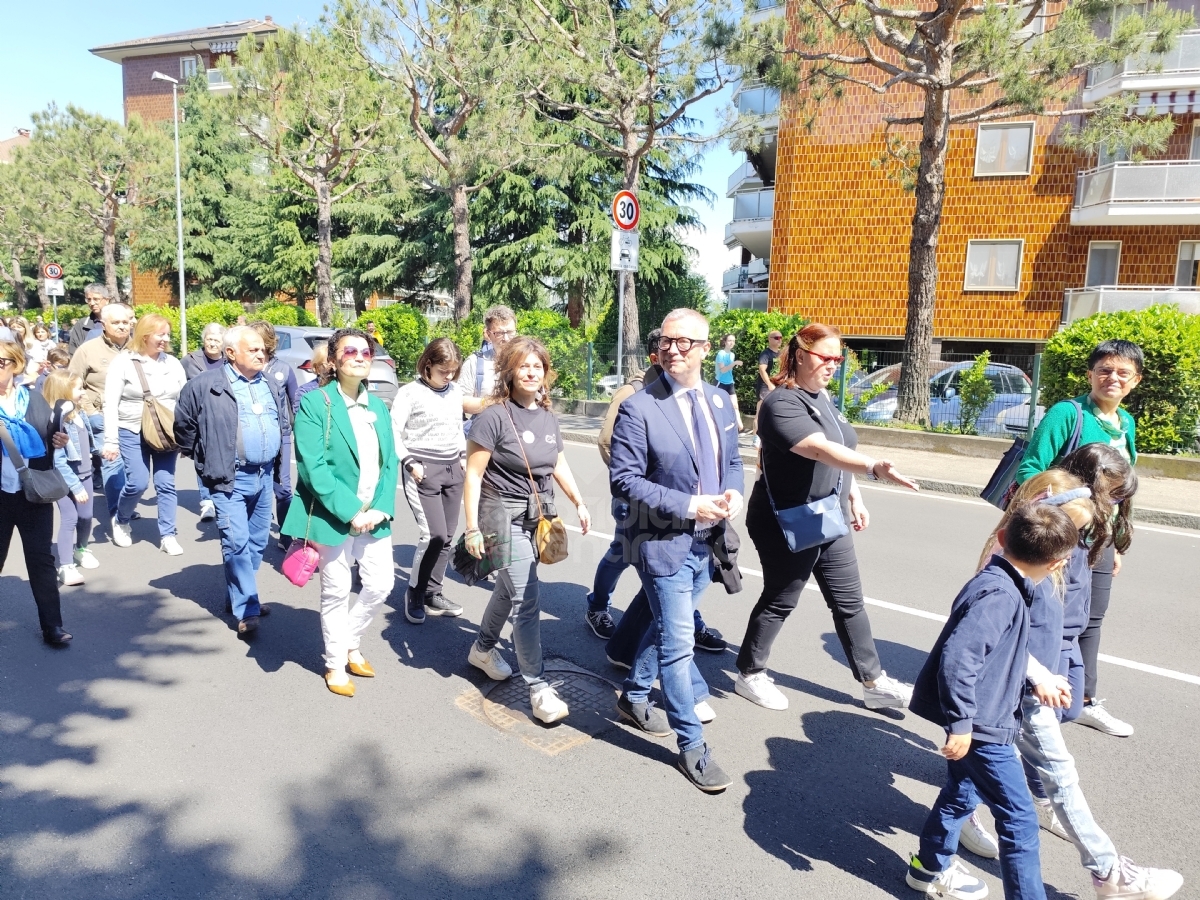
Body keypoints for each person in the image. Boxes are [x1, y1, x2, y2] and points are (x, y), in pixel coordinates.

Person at [999, 469, 1184, 900]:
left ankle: (935, 856)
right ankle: (1110, 873)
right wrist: (1040, 674)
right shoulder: (1015, 569)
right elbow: (994, 634)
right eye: (1072, 537)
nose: (1073, 550)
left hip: (1032, 683)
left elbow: (1062, 623)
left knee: (983, 777)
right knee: (1055, 778)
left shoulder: (1053, 558)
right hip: (1022, 689)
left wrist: (1063, 665)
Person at [737, 324, 918, 713]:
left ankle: (873, 682)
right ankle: (750, 673)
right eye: (826, 356)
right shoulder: (781, 402)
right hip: (785, 517)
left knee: (849, 601)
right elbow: (818, 450)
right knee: (782, 598)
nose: (833, 365)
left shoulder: (823, 400)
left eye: (838, 358)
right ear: (800, 354)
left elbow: (838, 453)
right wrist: (874, 467)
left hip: (826, 514)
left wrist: (855, 494)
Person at [906, 503, 1079, 900]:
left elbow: (996, 652)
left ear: (1002, 539)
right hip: (983, 726)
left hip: (984, 717)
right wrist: (962, 723)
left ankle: (928, 867)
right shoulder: (1000, 596)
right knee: (1018, 820)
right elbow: (959, 659)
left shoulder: (998, 581)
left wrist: (1035, 679)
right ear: (1057, 563)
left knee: (961, 792)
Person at [608, 308, 743, 791]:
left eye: (684, 342)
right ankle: (692, 746)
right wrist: (690, 505)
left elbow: (733, 462)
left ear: (706, 349)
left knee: (666, 627)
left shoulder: (722, 402)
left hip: (709, 543)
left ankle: (634, 695)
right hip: (663, 543)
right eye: (666, 341)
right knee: (679, 643)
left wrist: (733, 493)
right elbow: (623, 480)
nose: (673, 349)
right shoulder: (639, 407)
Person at [1016, 339, 1142, 738]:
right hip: (1063, 534)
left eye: (1123, 372)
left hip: (1100, 538)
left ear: (1134, 381)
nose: (1112, 378)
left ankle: (1084, 699)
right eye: (1105, 370)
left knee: (1091, 618)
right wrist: (1065, 515)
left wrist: (1116, 543)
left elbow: (1122, 491)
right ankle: (1030, 692)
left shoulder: (1126, 424)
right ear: (1090, 375)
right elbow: (1031, 471)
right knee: (1050, 617)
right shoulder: (1066, 414)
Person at [462, 336, 590, 724]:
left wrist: (580, 502)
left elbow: (558, 464)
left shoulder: (549, 417)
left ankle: (482, 649)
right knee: (527, 598)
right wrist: (471, 529)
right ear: (509, 372)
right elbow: (472, 474)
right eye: (524, 365)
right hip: (500, 515)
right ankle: (537, 686)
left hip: (537, 516)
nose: (532, 372)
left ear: (546, 372)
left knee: (509, 587)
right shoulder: (493, 416)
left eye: (538, 366)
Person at [282, 328, 397, 698]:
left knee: (381, 584)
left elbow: (389, 462)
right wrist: (351, 512)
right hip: (333, 515)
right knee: (336, 590)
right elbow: (313, 467)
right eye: (350, 351)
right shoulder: (317, 403)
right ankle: (335, 662)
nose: (361, 356)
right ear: (332, 360)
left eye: (367, 351)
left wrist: (379, 507)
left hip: (373, 517)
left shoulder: (377, 406)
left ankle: (349, 641)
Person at [175, 326, 289, 638]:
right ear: (230, 354)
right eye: (252, 349)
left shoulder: (269, 383)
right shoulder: (205, 385)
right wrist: (202, 456)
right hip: (230, 478)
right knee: (236, 543)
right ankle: (247, 609)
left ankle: (238, 596)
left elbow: (282, 423)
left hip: (264, 476)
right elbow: (183, 424)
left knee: (255, 544)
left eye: (262, 348)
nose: (260, 353)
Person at [0, 340, 72, 645]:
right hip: (1, 495)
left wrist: (60, 440)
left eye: (0, 362)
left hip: (33, 493)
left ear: (15, 365)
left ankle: (52, 627)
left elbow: (49, 435)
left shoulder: (33, 399)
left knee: (41, 561)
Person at [391, 337, 467, 624]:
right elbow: (393, 430)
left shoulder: (455, 391)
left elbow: (457, 427)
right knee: (432, 535)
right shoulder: (410, 393)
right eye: (443, 371)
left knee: (447, 536)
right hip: (422, 468)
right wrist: (409, 462)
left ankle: (434, 591)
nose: (448, 376)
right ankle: (415, 591)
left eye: (452, 371)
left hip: (452, 468)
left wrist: (461, 454)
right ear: (427, 365)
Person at [101, 313, 187, 555]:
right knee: (138, 482)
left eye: (167, 334)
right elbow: (110, 402)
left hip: (164, 434)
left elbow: (184, 400)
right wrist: (110, 440)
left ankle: (168, 535)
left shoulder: (172, 363)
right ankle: (121, 519)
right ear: (145, 335)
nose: (166, 339)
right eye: (161, 334)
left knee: (166, 483)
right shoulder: (124, 362)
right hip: (131, 431)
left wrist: (186, 439)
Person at [68, 302, 133, 524]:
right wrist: (90, 412)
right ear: (104, 324)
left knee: (134, 467)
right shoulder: (88, 350)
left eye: (126, 322)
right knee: (113, 464)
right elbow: (73, 381)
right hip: (101, 415)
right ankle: (117, 514)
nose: (122, 326)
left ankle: (126, 504)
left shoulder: (137, 349)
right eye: (116, 322)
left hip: (133, 417)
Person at [42, 371, 99, 587]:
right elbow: (59, 461)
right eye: (78, 389)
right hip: (64, 480)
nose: (83, 392)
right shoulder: (57, 423)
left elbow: (87, 442)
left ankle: (81, 549)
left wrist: (99, 451)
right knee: (70, 518)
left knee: (86, 516)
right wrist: (75, 486)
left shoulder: (79, 413)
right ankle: (66, 565)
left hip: (85, 475)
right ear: (63, 393)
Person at [249, 321, 297, 547]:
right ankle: (252, 532)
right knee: (256, 485)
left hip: (282, 435)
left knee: (284, 489)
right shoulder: (243, 367)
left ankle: (286, 536)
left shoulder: (283, 369)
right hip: (252, 435)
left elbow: (295, 403)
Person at [182, 323, 228, 522]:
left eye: (217, 340)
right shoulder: (190, 361)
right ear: (203, 340)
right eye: (209, 339)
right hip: (199, 416)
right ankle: (207, 502)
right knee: (202, 456)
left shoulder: (229, 361)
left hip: (224, 416)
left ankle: (221, 496)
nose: (212, 343)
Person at [459, 305, 517, 430]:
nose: (506, 338)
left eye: (510, 332)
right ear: (488, 334)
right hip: (484, 433)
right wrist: (496, 402)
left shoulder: (526, 362)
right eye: (499, 333)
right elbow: (461, 401)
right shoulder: (475, 362)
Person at [713, 332, 744, 432]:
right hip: (720, 383)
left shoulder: (732, 355)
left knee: (735, 405)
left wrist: (734, 363)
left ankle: (740, 426)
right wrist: (735, 363)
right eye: (730, 340)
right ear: (725, 342)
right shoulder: (720, 354)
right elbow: (723, 369)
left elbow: (729, 370)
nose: (732, 343)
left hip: (730, 382)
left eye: (733, 341)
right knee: (717, 406)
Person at [67, 284, 110, 353]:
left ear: (107, 300)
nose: (92, 303)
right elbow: (74, 351)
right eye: (89, 299)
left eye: (96, 299)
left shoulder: (118, 322)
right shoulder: (81, 325)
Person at [295, 344, 330, 411]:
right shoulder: (305, 391)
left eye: (335, 363)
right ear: (317, 368)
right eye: (327, 364)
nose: (333, 367)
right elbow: (301, 419)